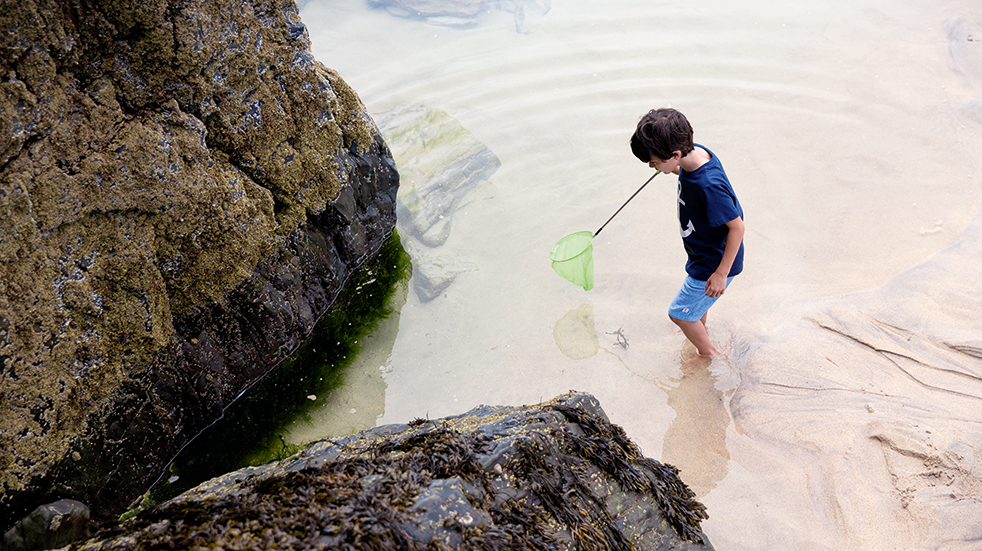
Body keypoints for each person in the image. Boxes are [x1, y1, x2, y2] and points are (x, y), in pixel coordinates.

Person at [630, 108, 744, 358]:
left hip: (713, 261)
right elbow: (684, 171)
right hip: (703, 252)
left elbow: (737, 227)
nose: (653, 167)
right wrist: (672, 169)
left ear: (675, 153)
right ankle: (697, 328)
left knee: (678, 312)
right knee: (694, 310)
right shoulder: (695, 154)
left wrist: (721, 274)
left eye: (654, 162)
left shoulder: (708, 185)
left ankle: (709, 354)